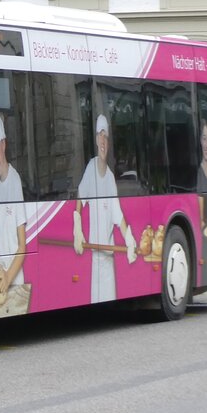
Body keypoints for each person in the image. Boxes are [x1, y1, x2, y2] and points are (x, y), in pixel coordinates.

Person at [73, 114, 137, 303]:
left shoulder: (110, 178)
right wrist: (77, 227)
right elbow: (80, 197)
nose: (103, 141)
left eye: (106, 137)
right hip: (95, 258)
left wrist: (129, 239)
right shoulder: (91, 168)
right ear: (95, 140)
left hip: (108, 258)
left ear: (108, 142)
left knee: (108, 301)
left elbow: (118, 216)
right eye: (100, 136)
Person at [0, 114, 27, 296]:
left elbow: (23, 246)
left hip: (14, 277)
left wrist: (9, 278)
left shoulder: (15, 181)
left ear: (4, 144)